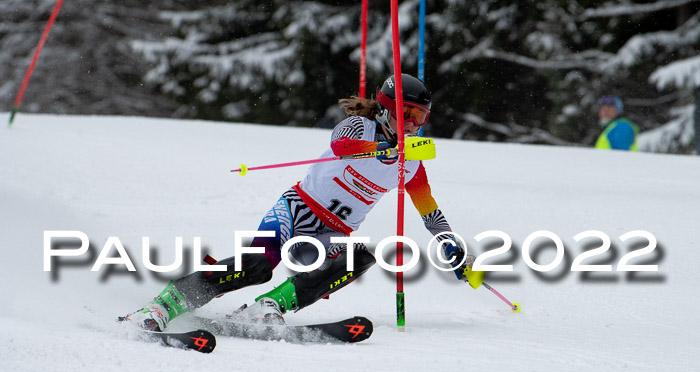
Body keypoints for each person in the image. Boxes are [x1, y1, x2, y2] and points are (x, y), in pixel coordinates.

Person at [125, 74, 479, 332]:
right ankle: (166, 304)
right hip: (297, 210)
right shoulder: (360, 127)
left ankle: (270, 306)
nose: (414, 126)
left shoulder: (411, 161)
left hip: (331, 234)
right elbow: (343, 146)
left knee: (360, 258)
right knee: (258, 266)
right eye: (408, 116)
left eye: (421, 118)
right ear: (387, 110)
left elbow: (429, 210)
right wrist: (387, 148)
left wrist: (451, 246)